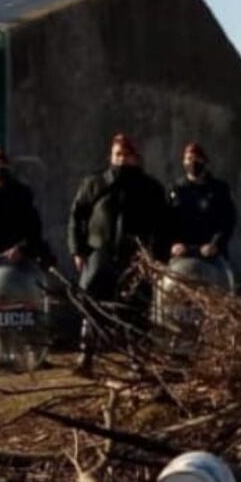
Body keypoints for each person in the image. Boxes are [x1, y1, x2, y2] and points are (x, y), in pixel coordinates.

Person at [68, 133, 167, 371]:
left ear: (136, 157)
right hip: (99, 253)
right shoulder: (95, 183)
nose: (122, 160)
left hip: (136, 257)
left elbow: (163, 225)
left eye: (127, 155)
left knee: (136, 308)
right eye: (117, 155)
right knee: (90, 304)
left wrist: (159, 259)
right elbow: (76, 216)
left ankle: (136, 359)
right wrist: (77, 251)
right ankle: (86, 356)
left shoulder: (150, 188)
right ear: (111, 156)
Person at [163, 143, 237, 261]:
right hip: (181, 253)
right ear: (183, 162)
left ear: (204, 161)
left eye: (197, 158)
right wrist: (173, 244)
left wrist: (216, 244)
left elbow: (228, 220)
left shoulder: (219, 189)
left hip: (211, 254)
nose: (193, 162)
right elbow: (166, 221)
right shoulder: (175, 190)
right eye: (189, 159)